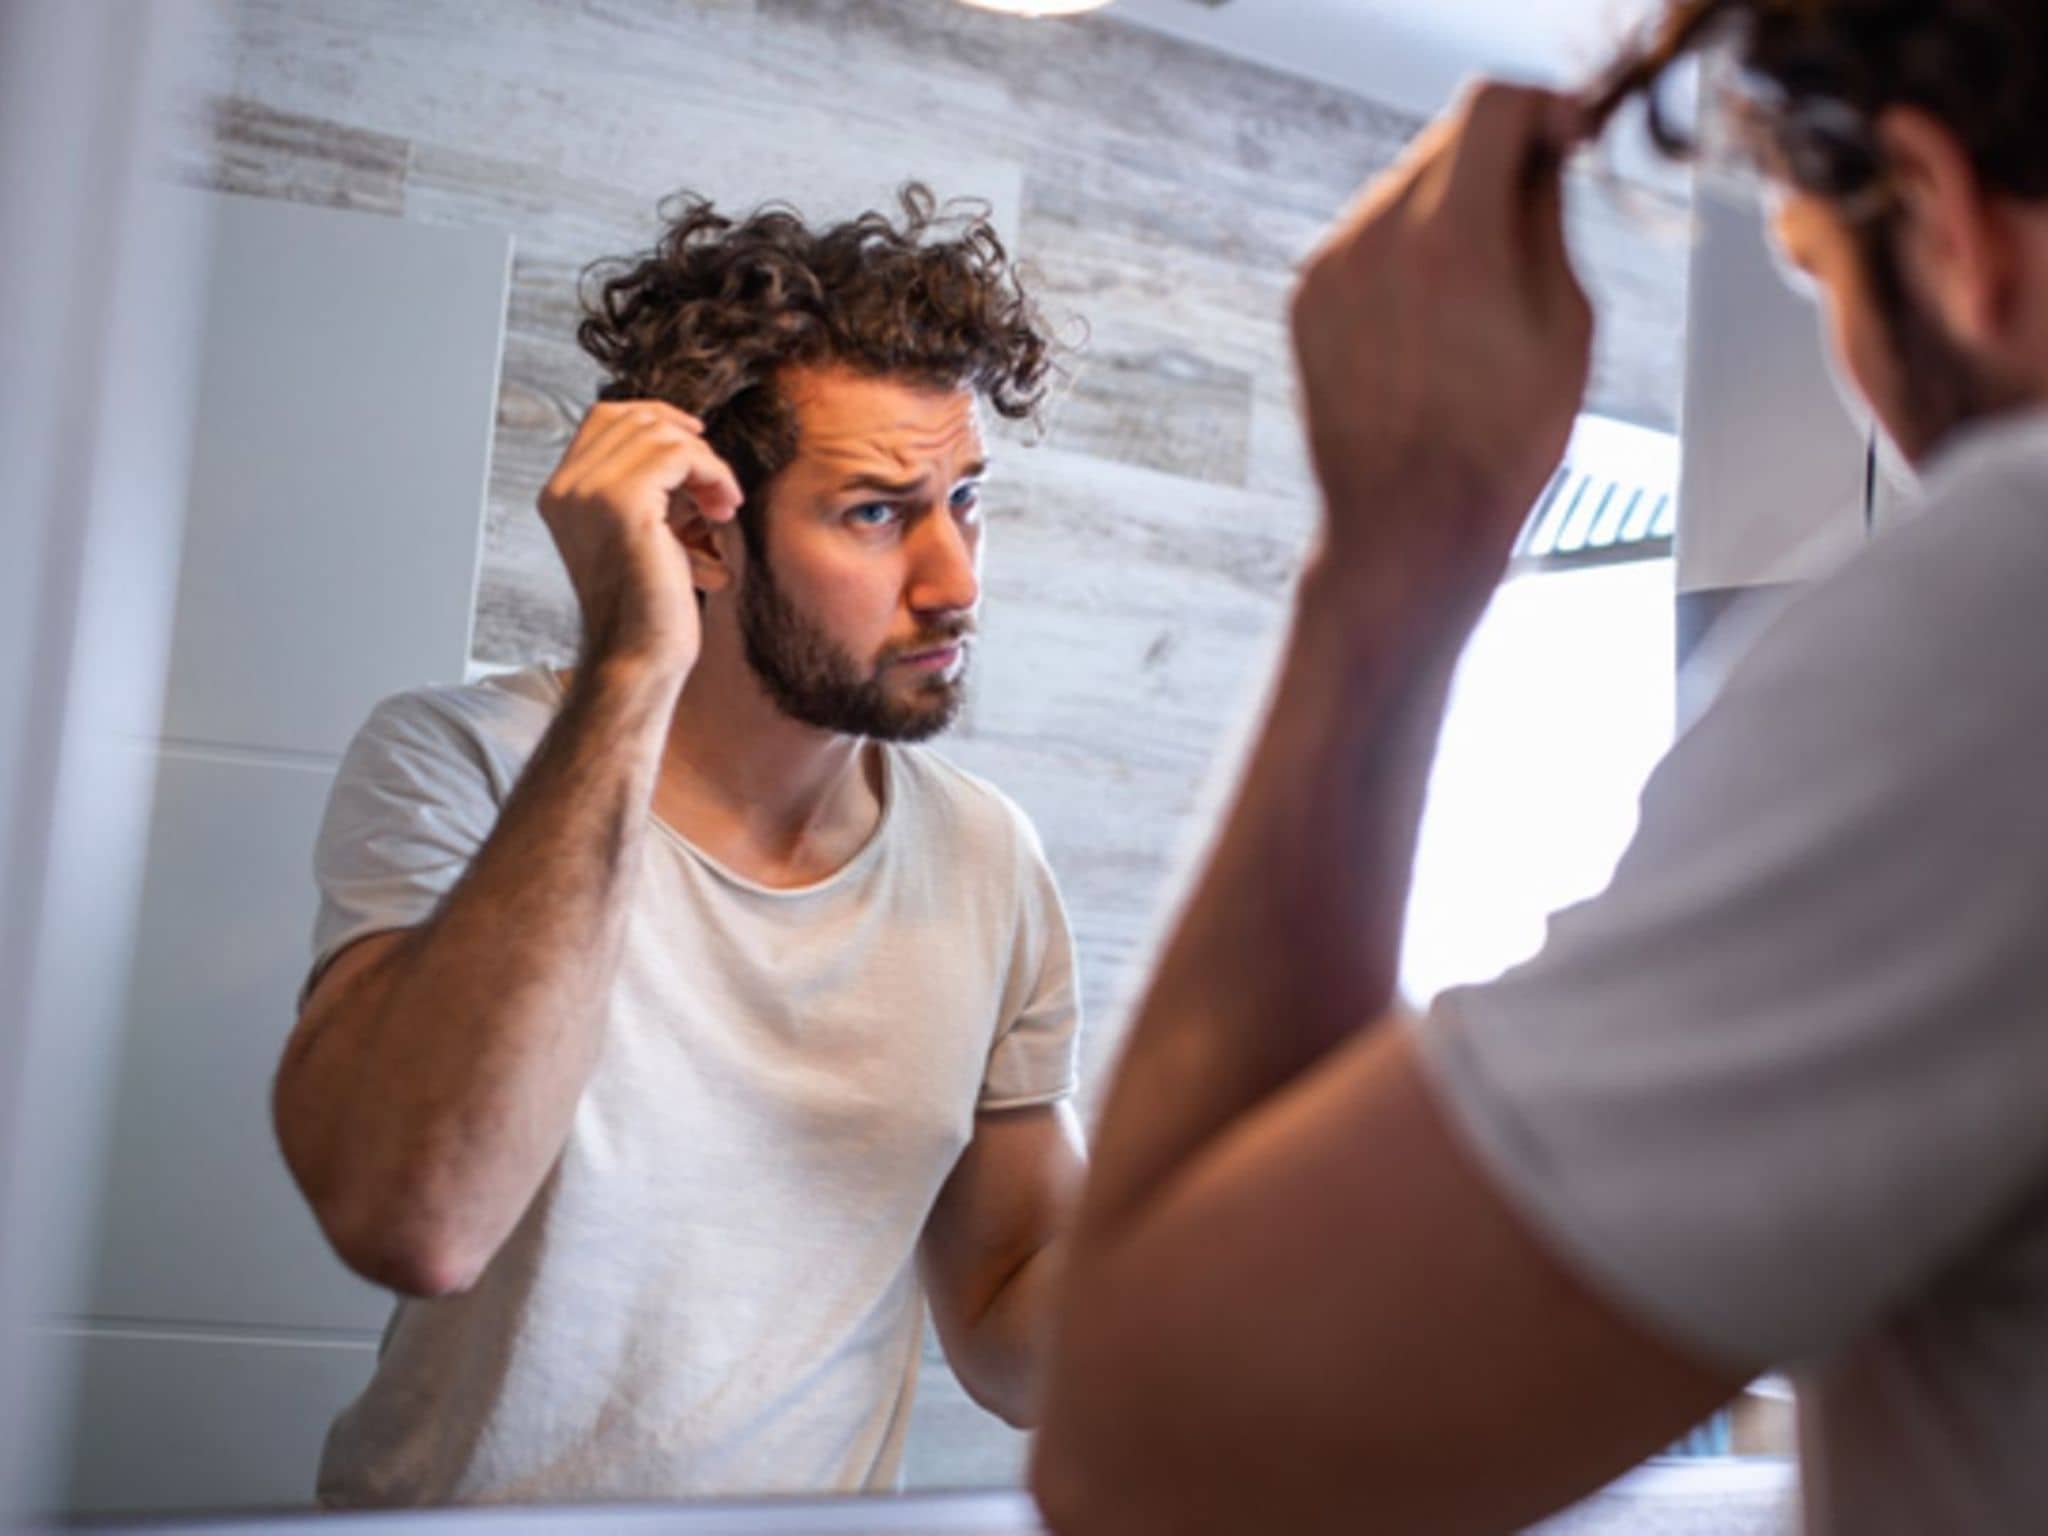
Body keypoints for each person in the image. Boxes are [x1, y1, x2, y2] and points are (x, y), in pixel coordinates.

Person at [1032, 4, 2048, 1533]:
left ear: (1946, 221)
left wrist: (1393, 550)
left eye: (1812, 269)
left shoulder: (2010, 614)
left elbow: (1150, 1468)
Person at [273, 186, 1086, 1507]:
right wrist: (633, 658)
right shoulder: (459, 763)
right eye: (879, 513)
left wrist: (1260, 1182)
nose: (958, 582)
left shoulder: (991, 861)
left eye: (968, 502)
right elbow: (414, 1218)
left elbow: (1010, 1327)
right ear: (704, 529)